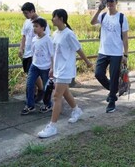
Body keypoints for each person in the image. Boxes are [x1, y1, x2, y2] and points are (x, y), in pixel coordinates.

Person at [37, 9, 93, 138]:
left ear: (61, 18)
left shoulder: (69, 34)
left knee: (56, 97)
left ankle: (52, 127)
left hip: (66, 70)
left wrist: (87, 62)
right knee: (64, 92)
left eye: (54, 17)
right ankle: (76, 110)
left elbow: (78, 48)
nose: (52, 19)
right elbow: (54, 53)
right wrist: (52, 68)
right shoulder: (56, 33)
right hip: (57, 69)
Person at [91, 0, 129, 113]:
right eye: (108, 2)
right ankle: (114, 89)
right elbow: (92, 22)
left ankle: (112, 100)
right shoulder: (102, 16)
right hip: (103, 51)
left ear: (116, 2)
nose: (110, 4)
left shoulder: (122, 18)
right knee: (98, 74)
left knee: (113, 77)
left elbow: (125, 37)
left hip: (116, 53)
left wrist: (125, 54)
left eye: (112, 1)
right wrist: (98, 10)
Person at [21, 18, 53, 115]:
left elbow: (52, 55)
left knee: (47, 89)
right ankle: (30, 105)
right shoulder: (34, 39)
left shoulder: (48, 40)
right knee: (29, 85)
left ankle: (48, 104)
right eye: (33, 26)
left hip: (46, 67)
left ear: (43, 28)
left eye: (36, 26)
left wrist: (52, 68)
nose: (34, 28)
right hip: (34, 66)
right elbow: (33, 52)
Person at [20, 2, 50, 102]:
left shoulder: (42, 22)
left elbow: (47, 38)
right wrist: (21, 48)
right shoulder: (26, 22)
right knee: (29, 73)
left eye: (26, 13)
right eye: (24, 13)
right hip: (27, 52)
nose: (25, 15)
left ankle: (38, 94)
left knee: (31, 75)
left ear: (32, 11)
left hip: (36, 54)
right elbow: (24, 36)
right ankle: (40, 91)